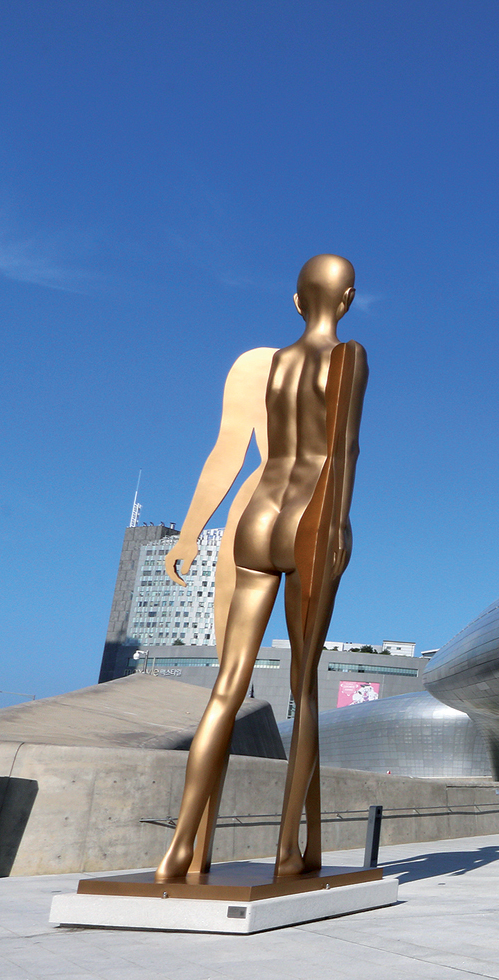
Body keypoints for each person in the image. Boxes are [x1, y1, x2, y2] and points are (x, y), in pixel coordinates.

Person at [153, 255, 368, 882]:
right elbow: (344, 451)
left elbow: (227, 448)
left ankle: (180, 849)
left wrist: (190, 533)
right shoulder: (348, 357)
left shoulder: (264, 364)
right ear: (348, 298)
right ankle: (285, 852)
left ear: (296, 302)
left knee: (227, 685)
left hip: (257, 514)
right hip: (310, 516)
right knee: (303, 688)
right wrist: (335, 535)